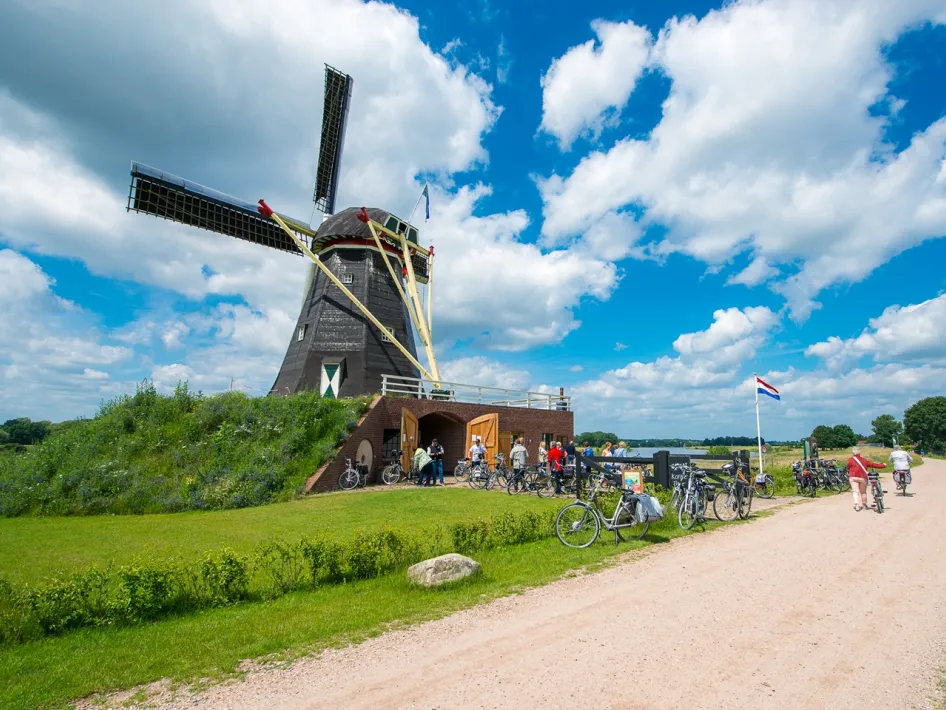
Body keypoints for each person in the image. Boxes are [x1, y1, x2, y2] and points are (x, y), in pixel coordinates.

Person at [847, 447, 885, 511]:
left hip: (853, 477)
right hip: (863, 477)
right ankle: (864, 505)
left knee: (855, 491)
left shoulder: (850, 460)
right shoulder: (863, 460)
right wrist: (883, 465)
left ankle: (857, 505)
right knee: (863, 492)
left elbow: (848, 467)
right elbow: (872, 464)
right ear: (860, 453)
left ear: (853, 453)